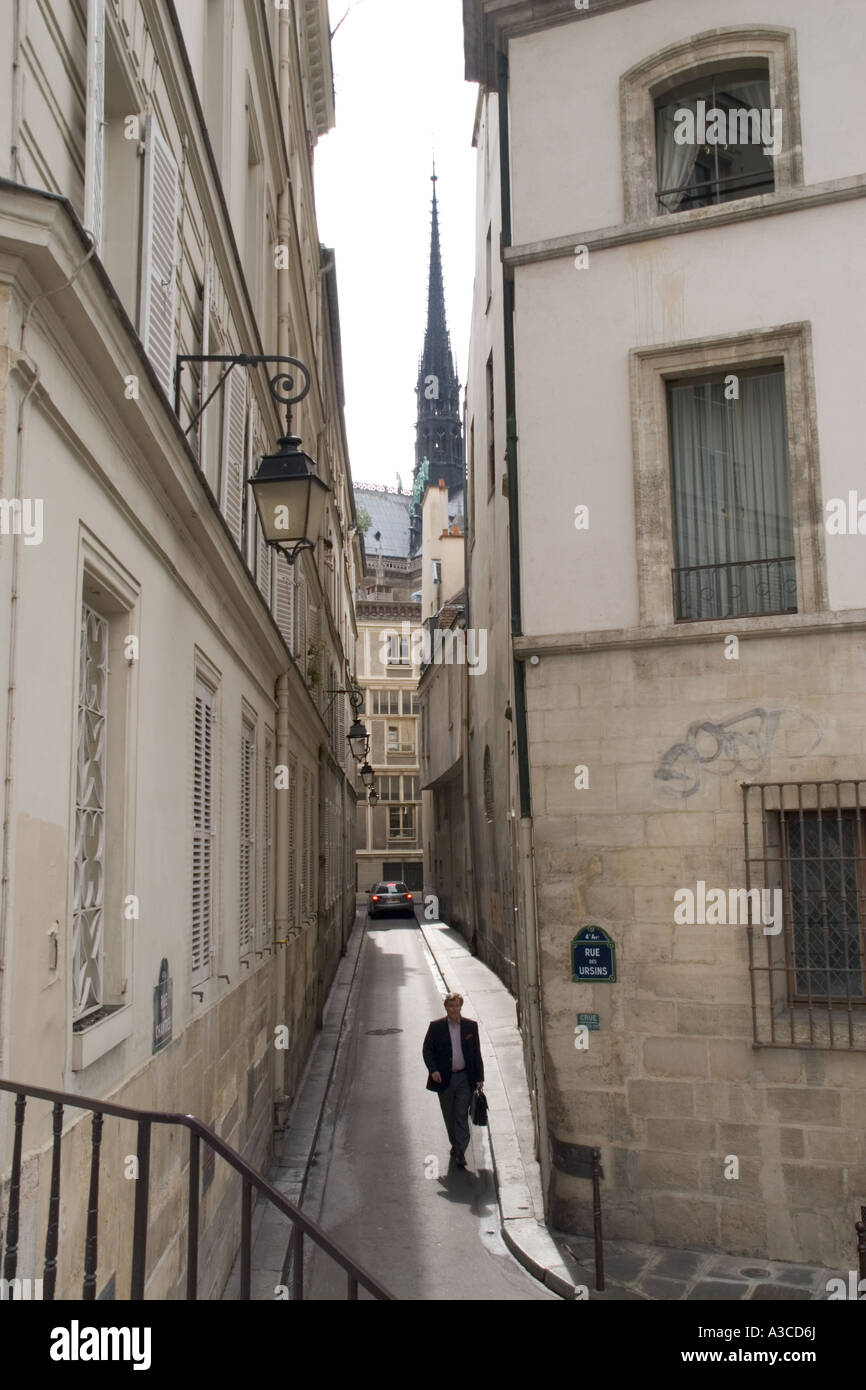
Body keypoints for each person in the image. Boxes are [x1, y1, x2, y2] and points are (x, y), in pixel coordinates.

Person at [422, 993, 484, 1168]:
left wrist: (480, 1078)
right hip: (445, 1079)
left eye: (456, 1005)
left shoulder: (471, 1027)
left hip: (465, 1078)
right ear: (446, 1007)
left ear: (460, 1007)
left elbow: (476, 1053)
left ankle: (460, 1151)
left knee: (461, 1115)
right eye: (451, 1006)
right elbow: (427, 1050)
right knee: (449, 1116)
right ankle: (456, 1144)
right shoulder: (436, 1027)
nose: (454, 1009)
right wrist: (433, 1070)